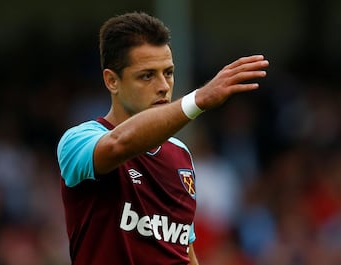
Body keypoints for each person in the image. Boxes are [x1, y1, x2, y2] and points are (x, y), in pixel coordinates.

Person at [56, 11, 269, 265]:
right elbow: (119, 144)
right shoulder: (79, 141)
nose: (163, 86)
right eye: (147, 75)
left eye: (168, 73)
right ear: (112, 81)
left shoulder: (179, 155)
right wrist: (197, 100)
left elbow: (182, 250)